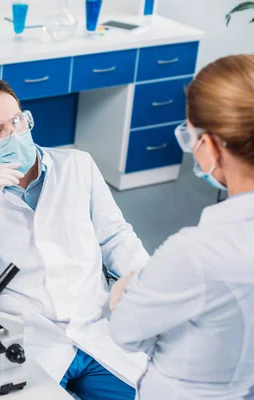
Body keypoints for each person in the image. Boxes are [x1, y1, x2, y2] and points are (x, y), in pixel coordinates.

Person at [0, 78, 149, 400]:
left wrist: (146, 279)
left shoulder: (78, 166)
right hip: (30, 340)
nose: (13, 135)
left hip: (95, 325)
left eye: (16, 121)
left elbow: (114, 236)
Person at [109, 54, 254, 399]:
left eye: (190, 137)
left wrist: (128, 290)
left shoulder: (196, 252)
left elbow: (127, 333)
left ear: (211, 146)